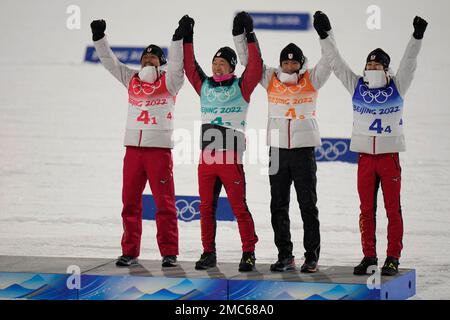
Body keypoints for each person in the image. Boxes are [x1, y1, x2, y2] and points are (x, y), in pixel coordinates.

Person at [314, 11, 428, 275]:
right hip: (365, 158)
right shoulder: (357, 85)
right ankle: (369, 256)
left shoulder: (397, 86)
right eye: (369, 65)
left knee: (392, 210)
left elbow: (409, 62)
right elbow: (336, 61)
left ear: (386, 69)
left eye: (377, 66)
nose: (371, 69)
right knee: (366, 210)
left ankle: (392, 257)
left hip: (388, 158)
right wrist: (324, 35)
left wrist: (416, 37)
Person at [233, 13, 333, 273]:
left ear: (300, 64)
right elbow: (249, 61)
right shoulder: (270, 79)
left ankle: (311, 256)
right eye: (285, 64)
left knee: (307, 205)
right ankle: (285, 256)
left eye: (293, 64)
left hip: (303, 151)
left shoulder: (312, 79)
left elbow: (330, 60)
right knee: (278, 205)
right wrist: (242, 36)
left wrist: (326, 34)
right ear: (280, 65)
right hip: (277, 151)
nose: (289, 67)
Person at [90, 18, 186, 267]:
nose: (147, 61)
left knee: (164, 204)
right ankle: (129, 251)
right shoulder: (131, 79)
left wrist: (178, 40)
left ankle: (169, 253)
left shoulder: (170, 82)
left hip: (159, 152)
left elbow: (178, 65)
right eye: (144, 58)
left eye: (152, 58)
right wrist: (99, 38)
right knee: (130, 202)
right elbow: (110, 62)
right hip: (133, 151)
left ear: (161, 63)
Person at [179, 13, 262, 272]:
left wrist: (249, 35)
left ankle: (248, 252)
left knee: (239, 207)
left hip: (230, 159)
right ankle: (208, 252)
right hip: (207, 160)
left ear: (232, 67)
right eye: (215, 62)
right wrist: (187, 36)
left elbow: (257, 67)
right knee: (205, 208)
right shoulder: (204, 86)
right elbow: (190, 66)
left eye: (223, 63)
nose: (217, 67)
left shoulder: (241, 87)